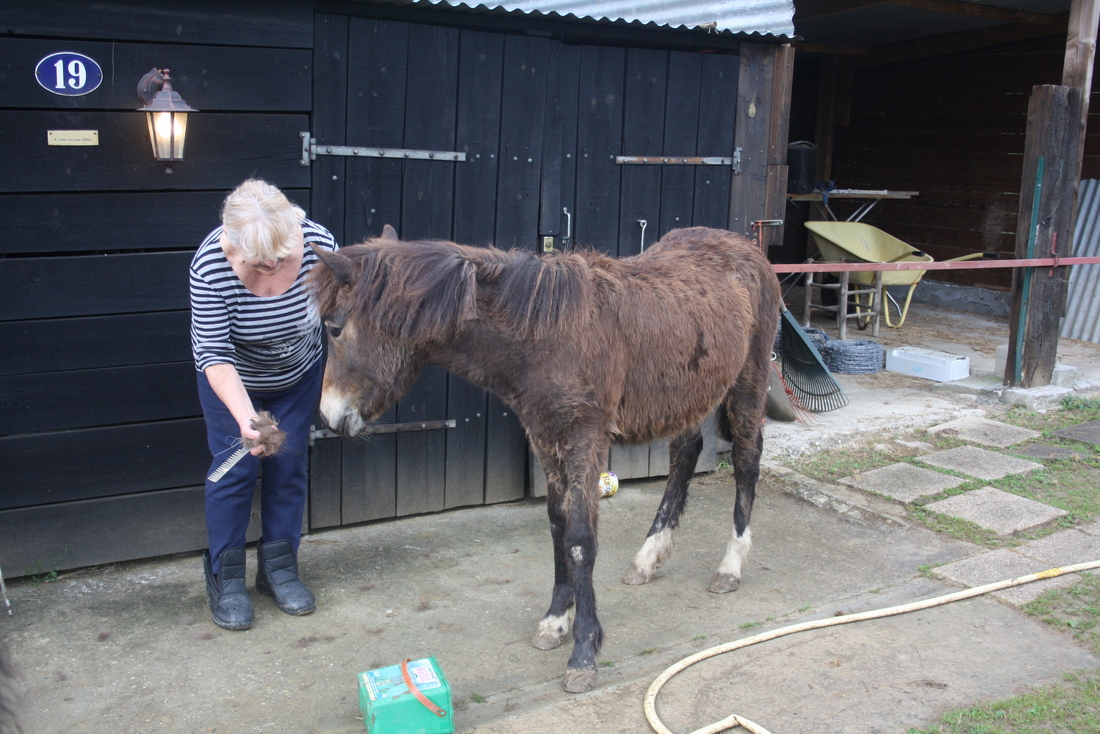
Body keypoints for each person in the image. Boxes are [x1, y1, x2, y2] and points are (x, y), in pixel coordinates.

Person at [190, 179, 338, 630]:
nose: (273, 264)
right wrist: (246, 419)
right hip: (235, 382)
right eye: (259, 260)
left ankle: (279, 570)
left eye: (281, 253)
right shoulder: (210, 266)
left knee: (287, 468)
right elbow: (214, 355)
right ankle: (226, 579)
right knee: (234, 472)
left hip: (299, 375)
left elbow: (339, 316)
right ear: (232, 244)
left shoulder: (319, 244)